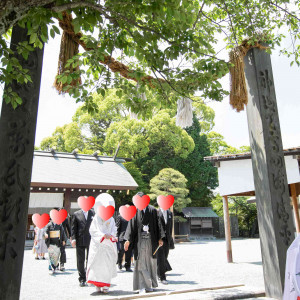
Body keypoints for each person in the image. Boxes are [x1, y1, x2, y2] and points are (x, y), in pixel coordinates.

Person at [124, 192, 165, 294]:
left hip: (151, 240)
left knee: (151, 262)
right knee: (140, 263)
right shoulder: (135, 211)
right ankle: (142, 285)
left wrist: (160, 238)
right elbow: (131, 226)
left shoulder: (152, 210)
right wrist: (127, 239)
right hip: (139, 240)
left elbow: (159, 224)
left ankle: (149, 285)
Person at [87, 193, 118, 294]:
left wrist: (110, 235)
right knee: (97, 265)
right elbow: (92, 230)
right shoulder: (96, 218)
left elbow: (114, 229)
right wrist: (102, 235)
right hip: (98, 245)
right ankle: (97, 285)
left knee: (107, 265)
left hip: (108, 245)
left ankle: (106, 285)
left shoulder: (112, 219)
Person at [71, 200, 95, 287]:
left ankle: (89, 277)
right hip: (80, 239)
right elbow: (73, 228)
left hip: (91, 239)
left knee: (90, 259)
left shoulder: (93, 212)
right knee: (80, 260)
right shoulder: (76, 214)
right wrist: (73, 238)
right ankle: (82, 278)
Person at [157, 207, 174, 284]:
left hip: (167, 239)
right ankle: (162, 277)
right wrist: (158, 238)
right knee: (161, 257)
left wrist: (170, 239)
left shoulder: (170, 213)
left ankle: (159, 273)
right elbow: (155, 226)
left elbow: (170, 227)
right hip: (159, 239)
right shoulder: (156, 212)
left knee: (165, 256)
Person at [116, 204, 133, 272]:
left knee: (129, 252)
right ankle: (119, 263)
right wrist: (116, 236)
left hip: (130, 237)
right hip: (122, 236)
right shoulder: (120, 216)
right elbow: (117, 227)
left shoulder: (132, 216)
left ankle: (127, 266)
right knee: (121, 251)